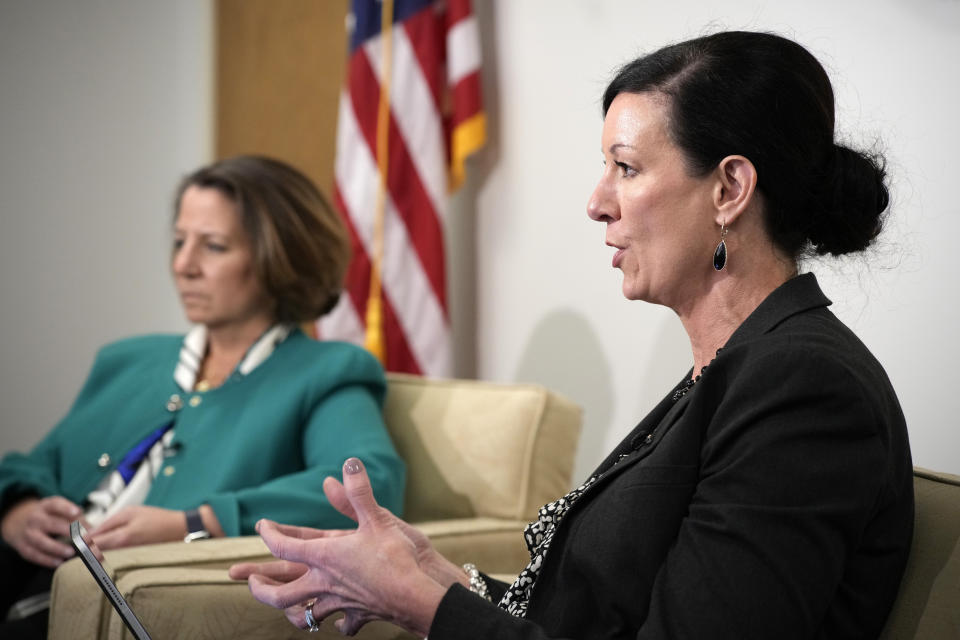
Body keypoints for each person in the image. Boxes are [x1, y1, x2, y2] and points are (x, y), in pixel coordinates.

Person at [230, 31, 913, 639]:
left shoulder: (802, 387)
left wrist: (425, 608)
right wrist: (440, 581)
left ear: (729, 188)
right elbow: (596, 616)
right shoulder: (732, 367)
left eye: (626, 167)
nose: (596, 202)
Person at [0, 155, 406, 637]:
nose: (183, 265)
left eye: (212, 246)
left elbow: (368, 485)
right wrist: (18, 510)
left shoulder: (324, 370)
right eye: (178, 242)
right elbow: (34, 464)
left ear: (280, 258)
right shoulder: (128, 360)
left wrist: (196, 520)